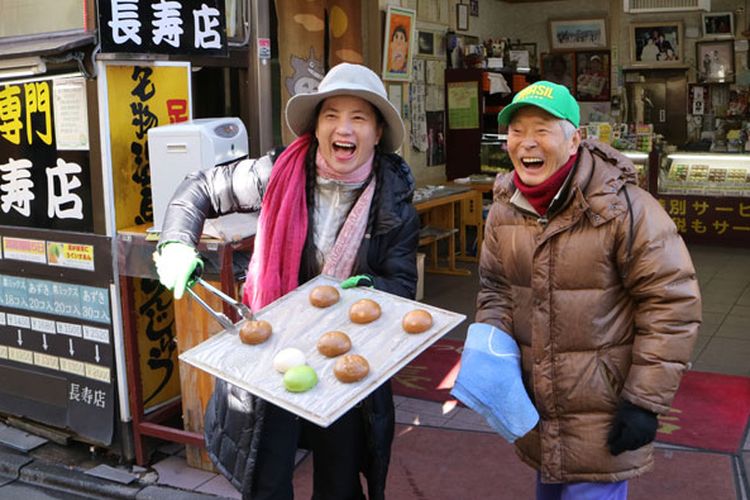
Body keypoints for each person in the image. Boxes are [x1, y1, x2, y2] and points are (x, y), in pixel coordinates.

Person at [153, 63, 419, 499]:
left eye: (359, 117)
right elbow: (197, 188)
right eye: (331, 115)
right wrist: (177, 244)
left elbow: (403, 288)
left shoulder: (394, 203)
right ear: (316, 127)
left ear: (376, 132)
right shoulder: (277, 171)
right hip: (274, 345)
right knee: (267, 475)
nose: (343, 128)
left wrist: (365, 289)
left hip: (344, 353)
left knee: (339, 480)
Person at [474, 81, 701, 499]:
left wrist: (644, 401)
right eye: (517, 131)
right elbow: (495, 289)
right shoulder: (505, 209)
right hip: (538, 404)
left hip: (606, 406)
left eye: (542, 130)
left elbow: (672, 303)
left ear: (575, 139)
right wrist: (488, 357)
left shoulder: (625, 208)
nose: (527, 143)